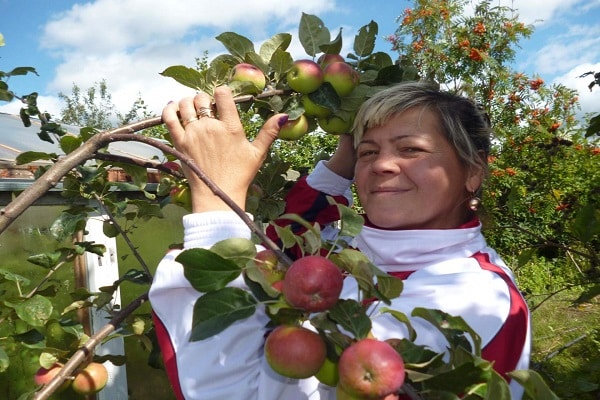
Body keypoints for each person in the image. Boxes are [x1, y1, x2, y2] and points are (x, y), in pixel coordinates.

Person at [149, 81, 531, 400]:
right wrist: (343, 162)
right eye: (369, 152)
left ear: (472, 173)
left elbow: (230, 389)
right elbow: (295, 244)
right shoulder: (361, 253)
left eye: (411, 148)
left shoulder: (469, 298)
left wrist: (216, 203)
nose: (381, 164)